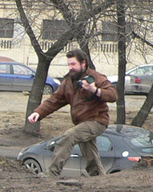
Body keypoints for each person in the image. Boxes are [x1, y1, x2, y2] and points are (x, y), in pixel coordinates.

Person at [27, 49, 118, 177]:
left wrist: (94, 90)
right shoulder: (68, 82)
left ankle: (52, 173)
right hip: (82, 123)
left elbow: (113, 95)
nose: (71, 67)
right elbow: (55, 100)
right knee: (90, 152)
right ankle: (99, 177)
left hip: (97, 121)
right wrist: (38, 112)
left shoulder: (96, 77)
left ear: (83, 63)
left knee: (69, 136)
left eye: (73, 64)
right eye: (69, 64)